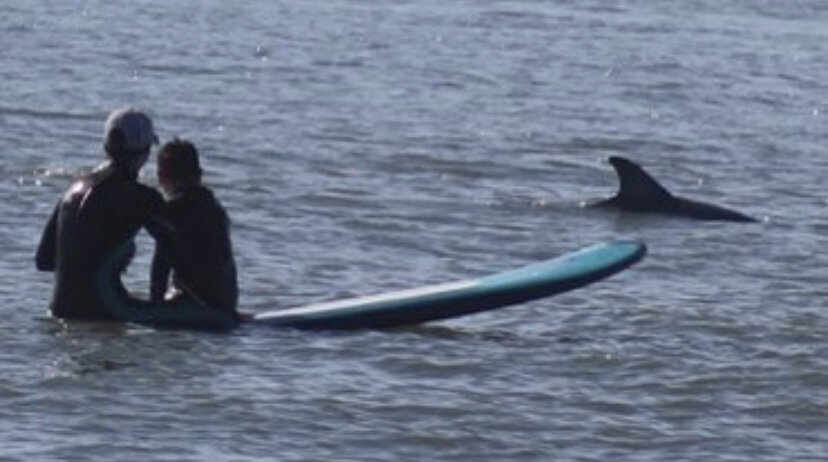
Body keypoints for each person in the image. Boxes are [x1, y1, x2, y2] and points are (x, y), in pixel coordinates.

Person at [36, 107, 167, 320]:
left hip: (60, 311)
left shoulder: (73, 190)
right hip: (104, 311)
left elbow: (44, 261)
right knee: (218, 321)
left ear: (106, 147)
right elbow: (175, 246)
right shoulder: (142, 198)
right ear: (144, 153)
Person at [150, 138, 240, 322]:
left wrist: (154, 309)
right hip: (226, 301)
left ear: (161, 177)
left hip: (198, 306)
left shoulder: (172, 212)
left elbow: (161, 265)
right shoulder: (213, 206)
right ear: (200, 174)